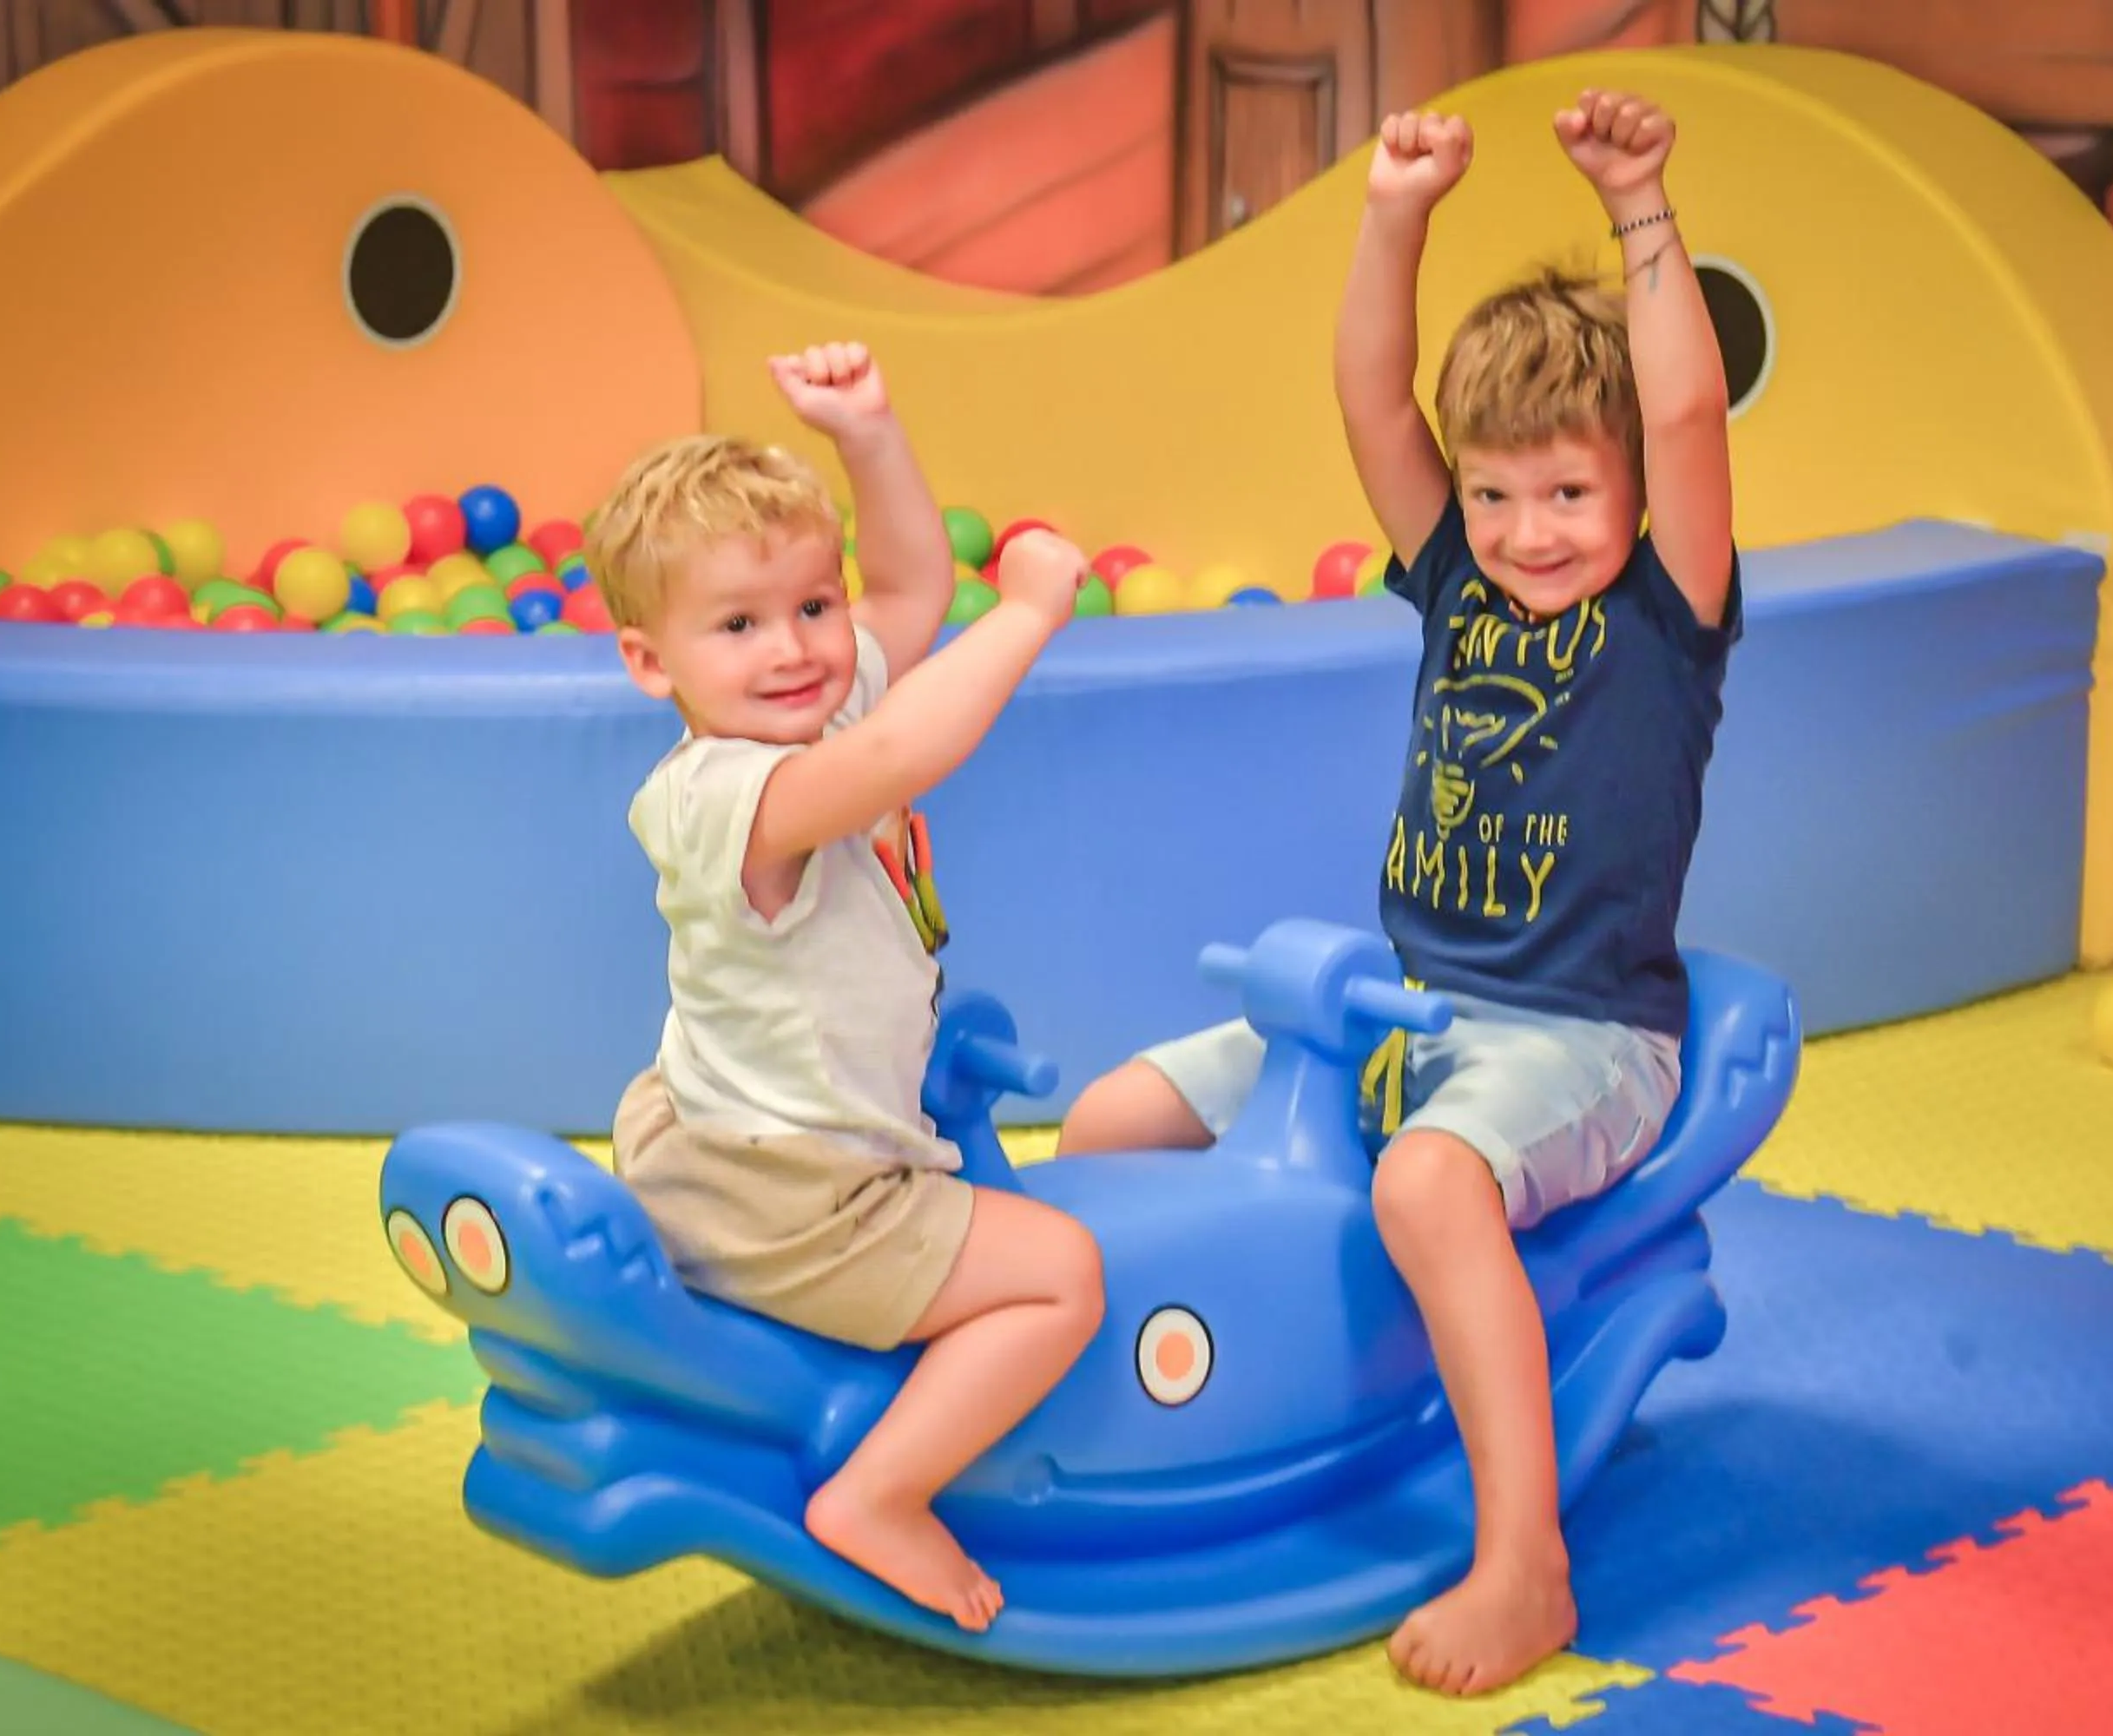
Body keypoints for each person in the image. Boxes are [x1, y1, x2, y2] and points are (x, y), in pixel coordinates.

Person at [1055, 89, 1741, 1695]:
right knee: (1104, 1124)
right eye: (1495, 495)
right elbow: (1375, 404)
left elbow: (1692, 416)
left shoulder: (1665, 617)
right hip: (1399, 1011)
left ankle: (1526, 1565)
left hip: (1577, 1035)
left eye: (1567, 494)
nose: (1522, 533)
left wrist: (1638, 201)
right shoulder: (1457, 575)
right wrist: (1392, 212)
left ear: (1633, 495)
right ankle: (1137, 1436)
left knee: (1427, 1189)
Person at [588, 342, 1105, 1634]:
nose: (799, 648)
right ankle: (880, 1494)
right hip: (793, 1192)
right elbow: (902, 748)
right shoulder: (725, 791)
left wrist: (868, 433)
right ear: (653, 666)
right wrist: (1030, 615)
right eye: (741, 625)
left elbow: (916, 585)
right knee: (1065, 1274)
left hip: (749, 1133)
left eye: (815, 607)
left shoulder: (807, 708)